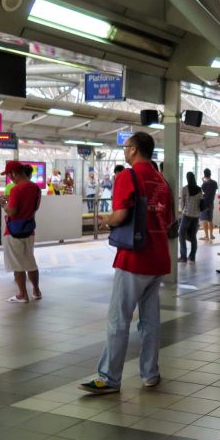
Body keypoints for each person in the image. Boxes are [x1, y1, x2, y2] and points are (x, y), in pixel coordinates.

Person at [79, 132, 173, 395]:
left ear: (133, 150)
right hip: (158, 258)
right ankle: (150, 373)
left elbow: (120, 215)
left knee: (118, 319)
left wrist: (106, 220)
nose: (124, 150)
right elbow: (168, 220)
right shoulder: (162, 180)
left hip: (134, 257)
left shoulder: (128, 176)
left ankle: (109, 377)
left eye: (125, 146)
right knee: (150, 321)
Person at [0, 161, 42, 303]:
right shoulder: (36, 188)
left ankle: (23, 294)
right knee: (30, 261)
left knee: (17, 265)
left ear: (14, 173)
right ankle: (36, 290)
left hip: (13, 231)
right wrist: (10, 201)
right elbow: (35, 207)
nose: (10, 178)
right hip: (29, 229)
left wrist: (4, 204)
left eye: (9, 175)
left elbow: (12, 211)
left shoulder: (16, 189)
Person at [178, 172, 202, 263]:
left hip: (187, 215)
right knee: (193, 236)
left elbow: (182, 203)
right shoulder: (199, 189)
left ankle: (183, 257)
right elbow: (201, 202)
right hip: (196, 216)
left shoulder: (185, 189)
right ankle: (192, 256)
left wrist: (183, 210)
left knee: (181, 234)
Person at [199, 168, 218, 242]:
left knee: (204, 220)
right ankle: (211, 235)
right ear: (210, 174)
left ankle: (206, 236)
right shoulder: (215, 183)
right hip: (211, 203)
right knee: (210, 219)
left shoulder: (204, 183)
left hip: (204, 203)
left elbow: (203, 191)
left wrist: (203, 181)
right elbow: (212, 190)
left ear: (204, 174)